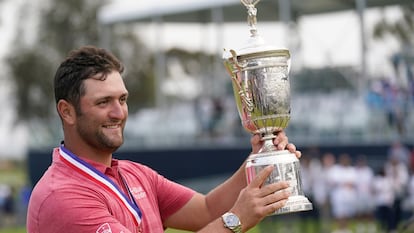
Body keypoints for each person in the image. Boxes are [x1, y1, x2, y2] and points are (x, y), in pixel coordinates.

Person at [26, 45, 302, 233]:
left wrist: (259, 160)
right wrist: (235, 220)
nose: (118, 112)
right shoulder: (62, 197)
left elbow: (206, 210)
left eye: (122, 99)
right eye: (103, 102)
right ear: (67, 112)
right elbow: (223, 216)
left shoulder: (135, 175)